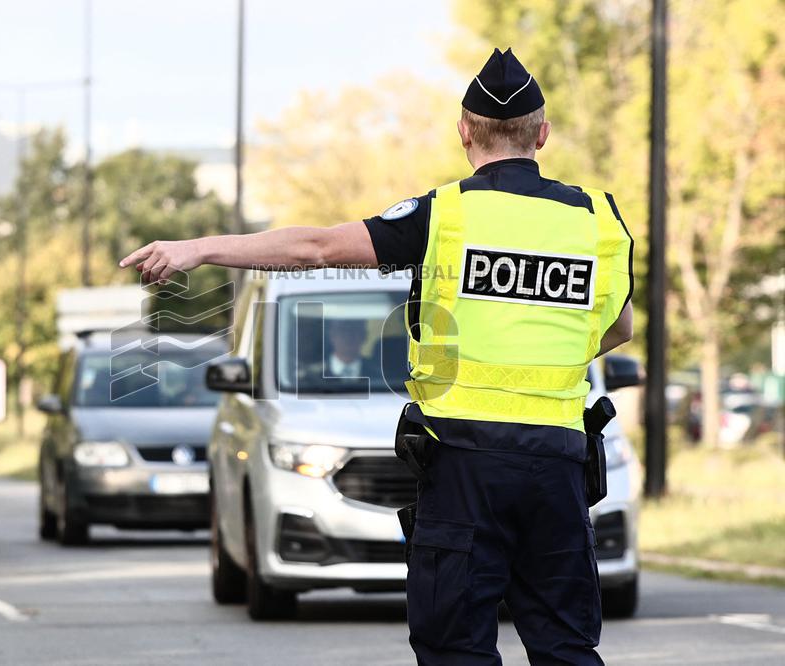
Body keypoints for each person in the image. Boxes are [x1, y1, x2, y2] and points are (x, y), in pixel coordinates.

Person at [120, 47, 633, 665]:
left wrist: (198, 249)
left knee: (455, 648)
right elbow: (618, 328)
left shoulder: (445, 215)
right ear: (541, 134)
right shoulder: (598, 220)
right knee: (566, 647)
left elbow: (315, 248)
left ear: (464, 132)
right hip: (558, 465)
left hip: (465, 465)